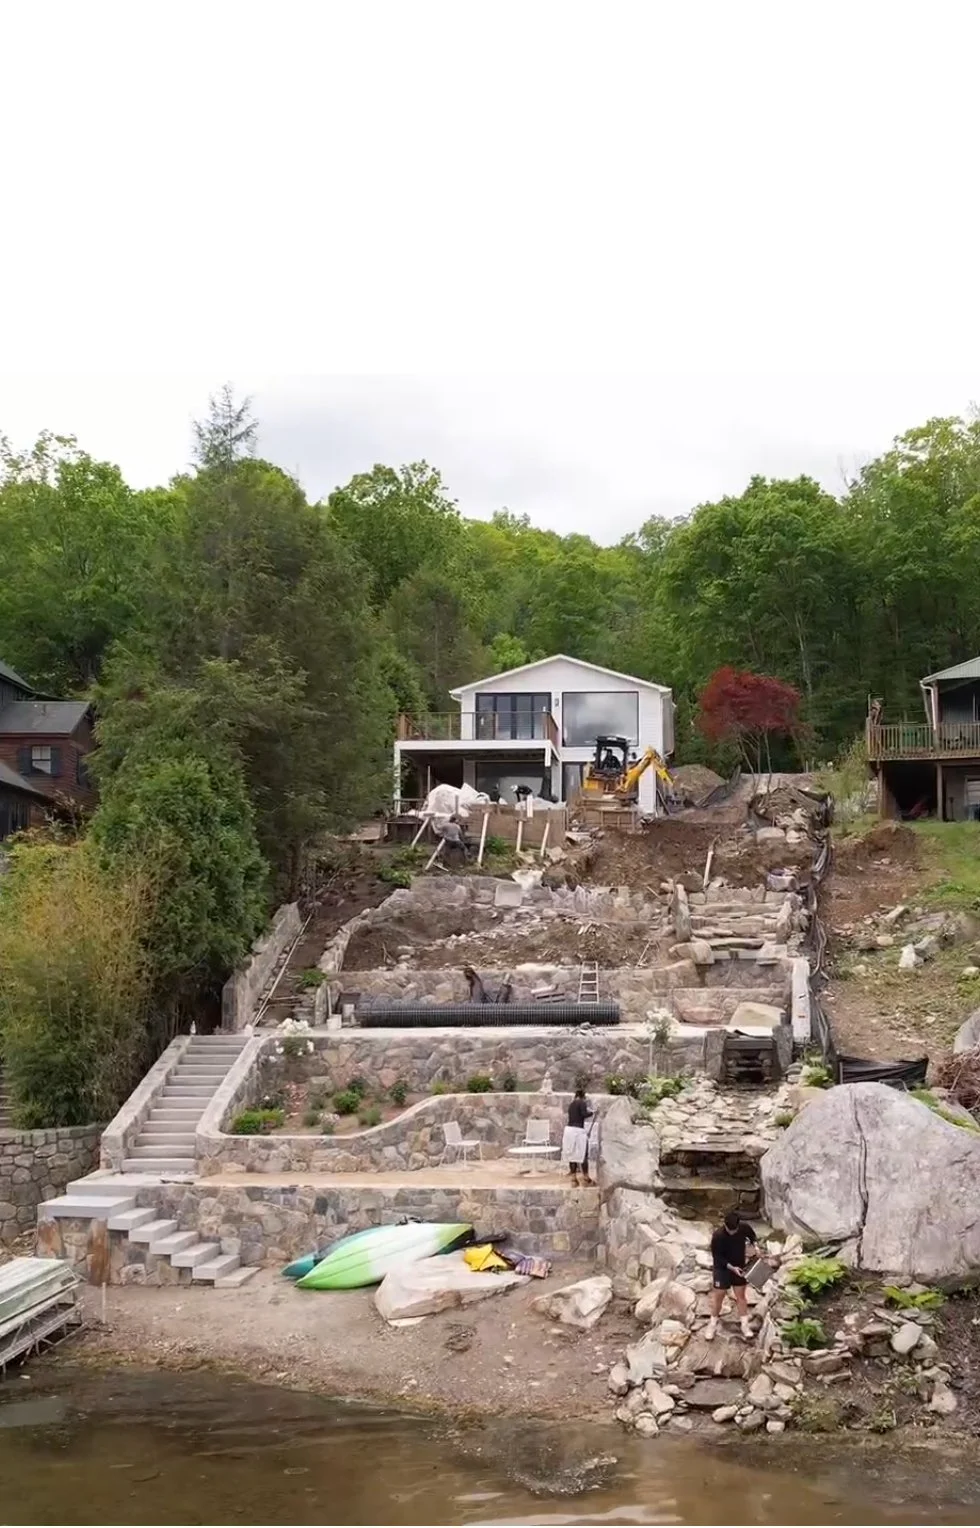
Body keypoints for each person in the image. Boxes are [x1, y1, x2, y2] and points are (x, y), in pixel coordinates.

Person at [705, 1209, 759, 1340]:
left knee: (741, 1296)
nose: (733, 1232)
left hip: (739, 1265)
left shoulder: (744, 1228)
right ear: (725, 1225)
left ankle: (744, 1326)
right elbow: (717, 1257)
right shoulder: (718, 1236)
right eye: (730, 1230)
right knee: (719, 1296)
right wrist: (731, 1268)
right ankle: (712, 1324)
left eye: (735, 1230)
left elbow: (753, 1237)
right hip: (722, 1267)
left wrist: (756, 1247)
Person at [561, 1088, 594, 1186]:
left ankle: (573, 1179)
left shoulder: (571, 1104)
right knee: (583, 1154)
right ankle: (586, 1177)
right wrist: (592, 1112)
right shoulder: (582, 1102)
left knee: (572, 1155)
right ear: (583, 1096)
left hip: (569, 1130)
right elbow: (584, 1114)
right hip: (578, 1131)